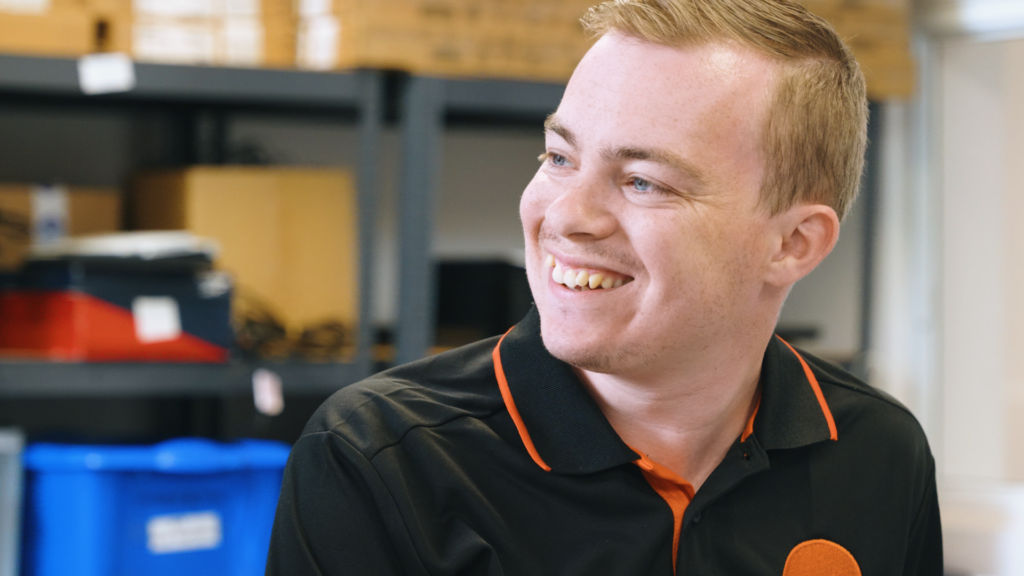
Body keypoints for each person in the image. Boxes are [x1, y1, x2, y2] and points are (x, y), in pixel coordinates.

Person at [266, 0, 942, 574]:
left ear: (793, 243)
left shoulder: (879, 453)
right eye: (559, 157)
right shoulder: (380, 459)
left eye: (643, 181)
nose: (567, 216)